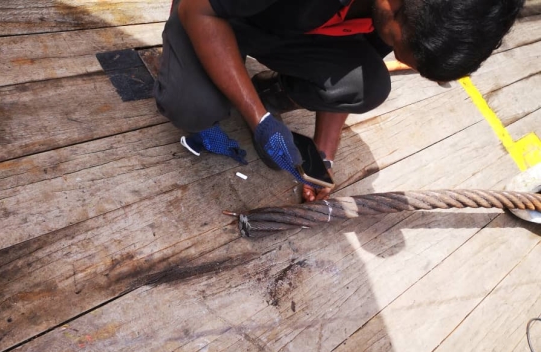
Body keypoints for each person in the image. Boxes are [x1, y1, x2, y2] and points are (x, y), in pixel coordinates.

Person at [154, 0, 524, 202]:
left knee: (369, 85)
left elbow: (361, 52)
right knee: (195, 108)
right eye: (396, 45)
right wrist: (259, 120)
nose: (391, 51)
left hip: (291, 28)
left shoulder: (403, 14)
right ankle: (236, 93)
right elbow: (198, 9)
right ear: (391, 5)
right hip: (212, 14)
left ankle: (262, 90)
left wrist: (324, 155)